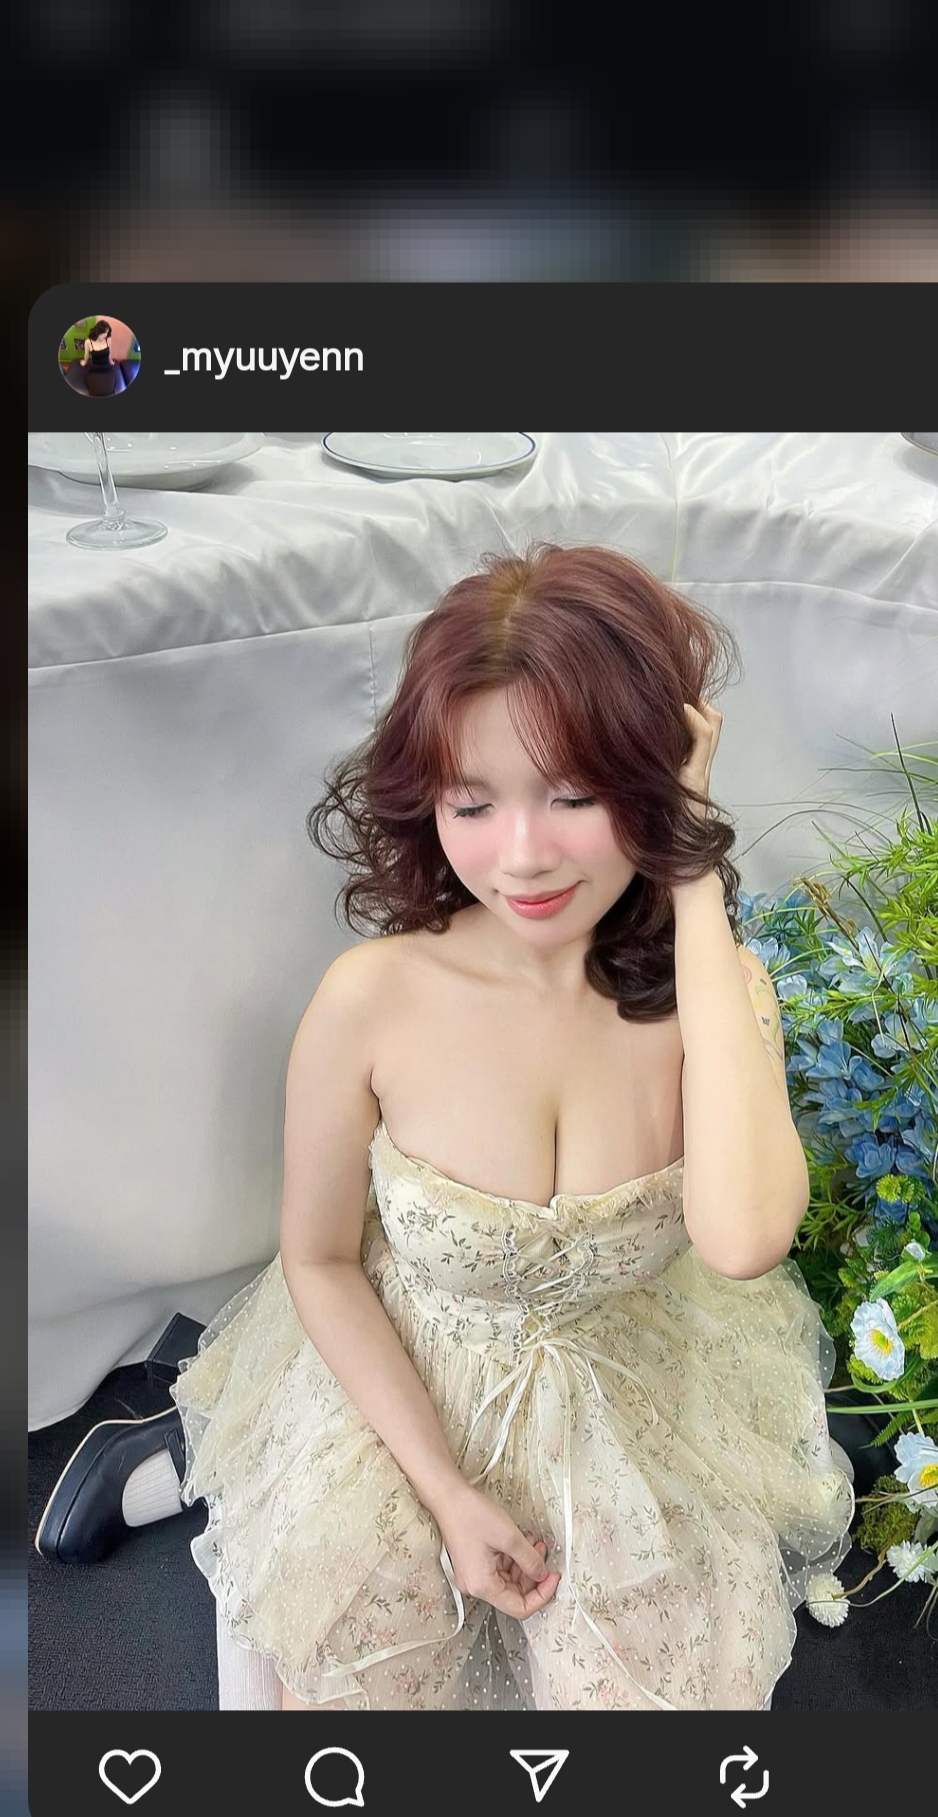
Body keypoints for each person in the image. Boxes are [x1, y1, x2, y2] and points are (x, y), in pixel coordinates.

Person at [39, 544, 853, 1710]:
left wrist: (688, 870)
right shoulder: (372, 999)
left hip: (627, 1398)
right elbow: (321, 1261)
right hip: (399, 1382)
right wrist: (448, 1494)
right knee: (369, 1654)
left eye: (576, 794)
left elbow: (744, 1239)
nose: (522, 857)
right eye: (474, 803)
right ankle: (186, 1448)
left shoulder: (714, 998)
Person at [78, 319, 125, 396]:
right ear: (98, 331)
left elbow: (109, 353)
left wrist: (111, 362)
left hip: (107, 369)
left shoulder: (108, 340)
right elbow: (86, 355)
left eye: (107, 332)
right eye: (103, 333)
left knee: (108, 391)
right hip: (94, 370)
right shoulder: (88, 342)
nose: (105, 335)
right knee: (95, 392)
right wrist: (84, 362)